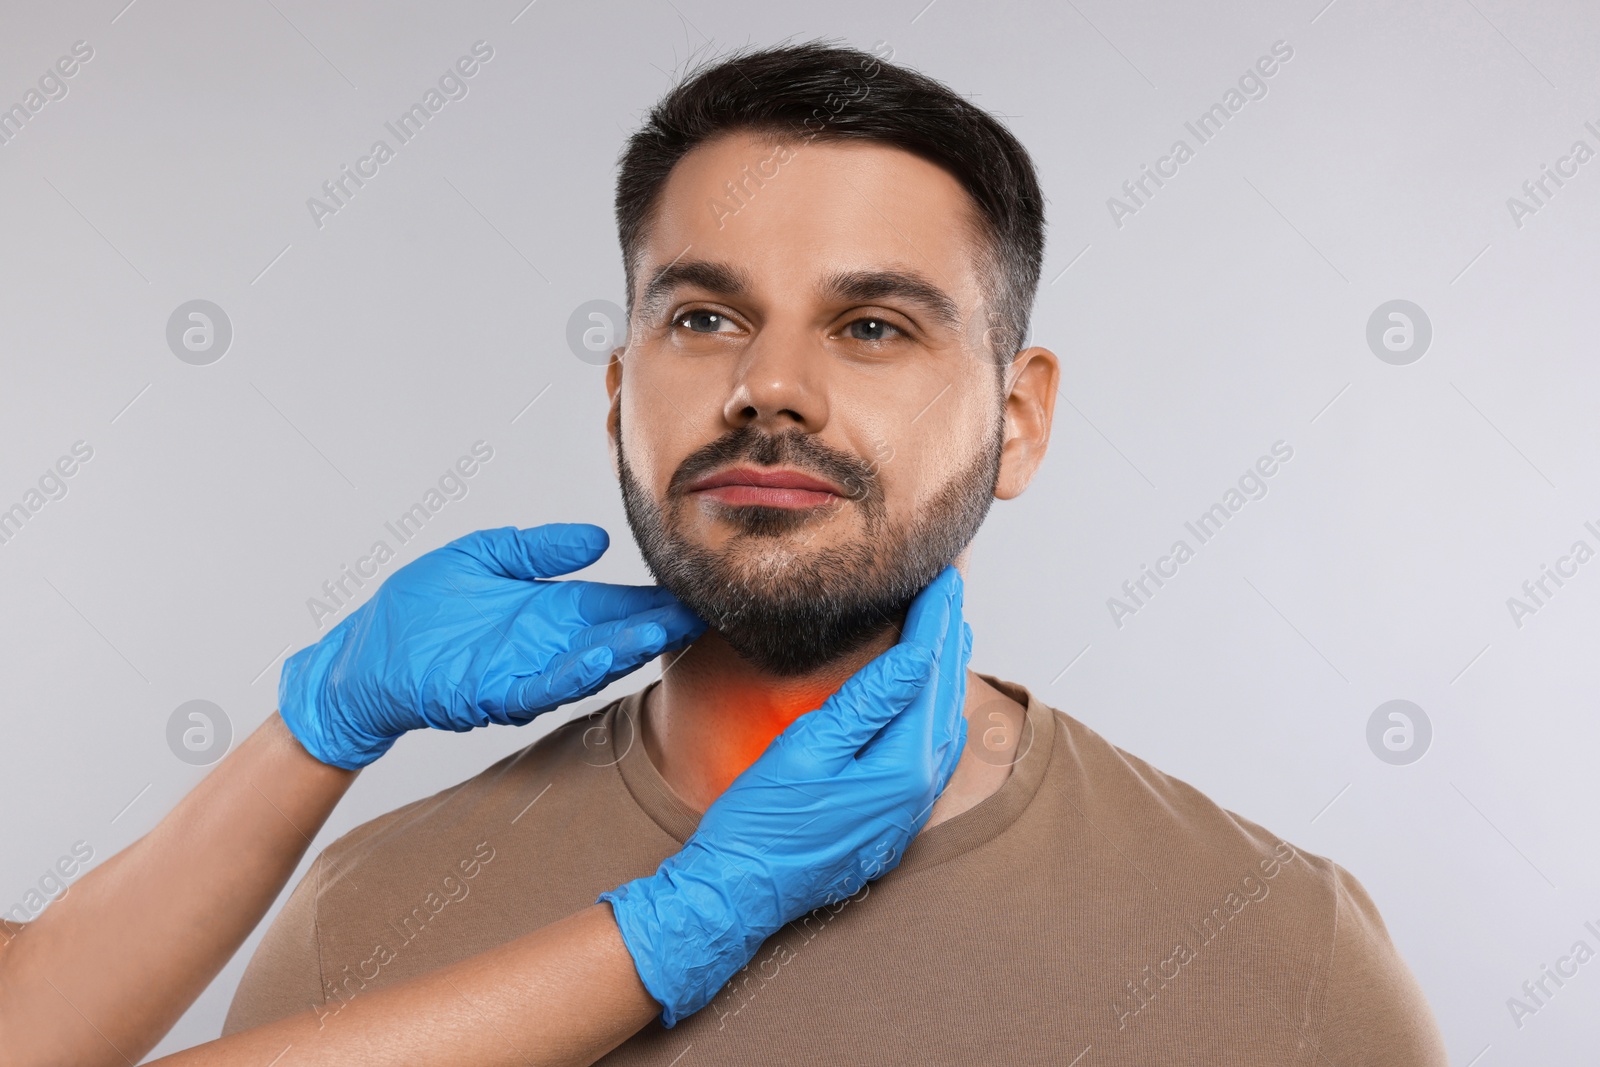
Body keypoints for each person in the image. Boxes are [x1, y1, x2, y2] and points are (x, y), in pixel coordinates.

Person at [229, 40, 1450, 1062]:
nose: (770, 386)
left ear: (1015, 421)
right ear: (617, 395)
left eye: (872, 326)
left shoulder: (1284, 955)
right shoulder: (369, 923)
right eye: (704, 318)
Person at [0, 524, 973, 1066]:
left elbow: (24, 1012)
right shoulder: (359, 907)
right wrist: (691, 915)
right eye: (702, 319)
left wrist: (319, 722)